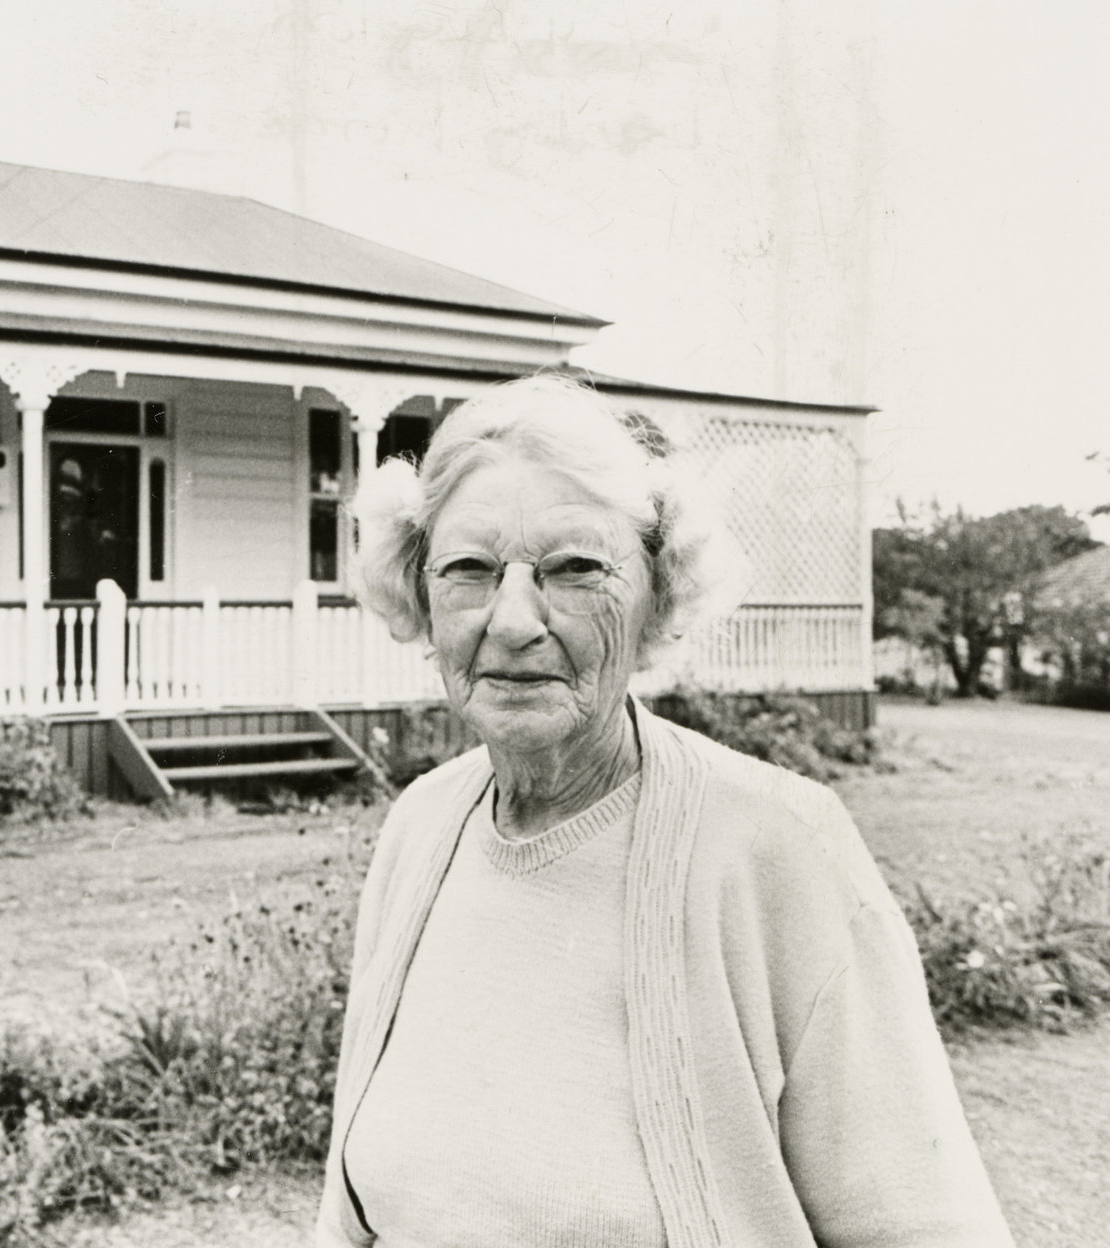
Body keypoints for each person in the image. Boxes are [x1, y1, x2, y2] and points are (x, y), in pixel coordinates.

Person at [317, 376, 1012, 1247]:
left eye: (576, 569)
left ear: (658, 595)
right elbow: (346, 1214)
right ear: (418, 597)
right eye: (468, 570)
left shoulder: (778, 847)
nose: (513, 620)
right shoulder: (421, 827)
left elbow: (926, 1228)